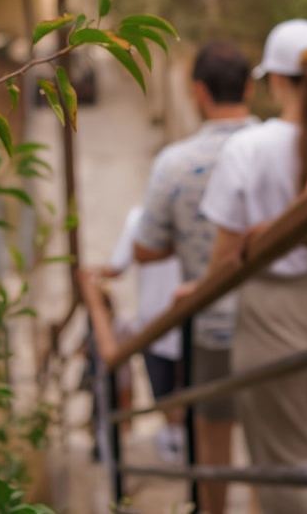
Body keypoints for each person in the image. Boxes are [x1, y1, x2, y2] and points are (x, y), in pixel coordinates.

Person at [199, 20, 307, 514]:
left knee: (282, 453)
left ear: (273, 80)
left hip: (277, 309)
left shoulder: (249, 148)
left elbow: (227, 254)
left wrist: (197, 292)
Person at [121, 41, 256, 514]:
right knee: (268, 439)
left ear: (198, 91)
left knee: (212, 434)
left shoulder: (175, 163)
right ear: (251, 86)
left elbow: (143, 246)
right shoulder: (278, 146)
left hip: (211, 321)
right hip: (270, 317)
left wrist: (187, 237)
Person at [99, 207, 187, 463]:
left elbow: (116, 265)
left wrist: (92, 279)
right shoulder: (144, 217)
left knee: (166, 390)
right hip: (175, 316)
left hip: (156, 321)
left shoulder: (141, 216)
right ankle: (179, 439)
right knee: (179, 389)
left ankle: (178, 438)